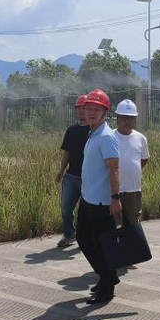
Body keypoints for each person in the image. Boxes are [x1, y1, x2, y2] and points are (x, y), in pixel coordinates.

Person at [76, 89, 123, 304]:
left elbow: (114, 169)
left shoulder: (106, 137)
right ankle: (108, 276)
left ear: (105, 112)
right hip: (88, 199)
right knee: (84, 239)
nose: (92, 112)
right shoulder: (93, 133)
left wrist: (116, 198)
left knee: (103, 244)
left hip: (103, 202)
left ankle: (106, 288)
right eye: (89, 108)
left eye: (97, 109)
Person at [55, 94, 89, 248]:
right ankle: (69, 234)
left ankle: (85, 238)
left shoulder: (94, 130)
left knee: (86, 212)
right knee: (66, 207)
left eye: (84, 108)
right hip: (71, 176)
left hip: (89, 179)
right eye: (78, 108)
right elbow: (67, 152)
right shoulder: (72, 130)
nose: (81, 111)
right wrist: (61, 170)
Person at [114, 99, 149, 226]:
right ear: (117, 118)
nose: (128, 121)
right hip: (114, 190)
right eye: (124, 118)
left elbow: (144, 160)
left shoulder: (141, 138)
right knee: (114, 224)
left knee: (132, 224)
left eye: (131, 118)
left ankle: (130, 246)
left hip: (133, 190)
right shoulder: (110, 137)